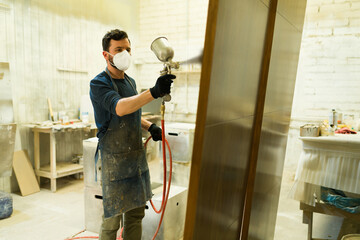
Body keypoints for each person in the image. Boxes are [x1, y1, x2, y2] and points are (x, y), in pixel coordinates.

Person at [89, 29, 175, 240]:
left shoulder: (130, 82)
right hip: (115, 161)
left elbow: (131, 112)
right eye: (118, 49)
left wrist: (148, 126)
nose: (124, 53)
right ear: (105, 54)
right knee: (112, 220)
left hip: (135, 159)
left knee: (136, 215)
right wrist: (153, 92)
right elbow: (119, 108)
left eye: (127, 49)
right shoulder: (99, 83)